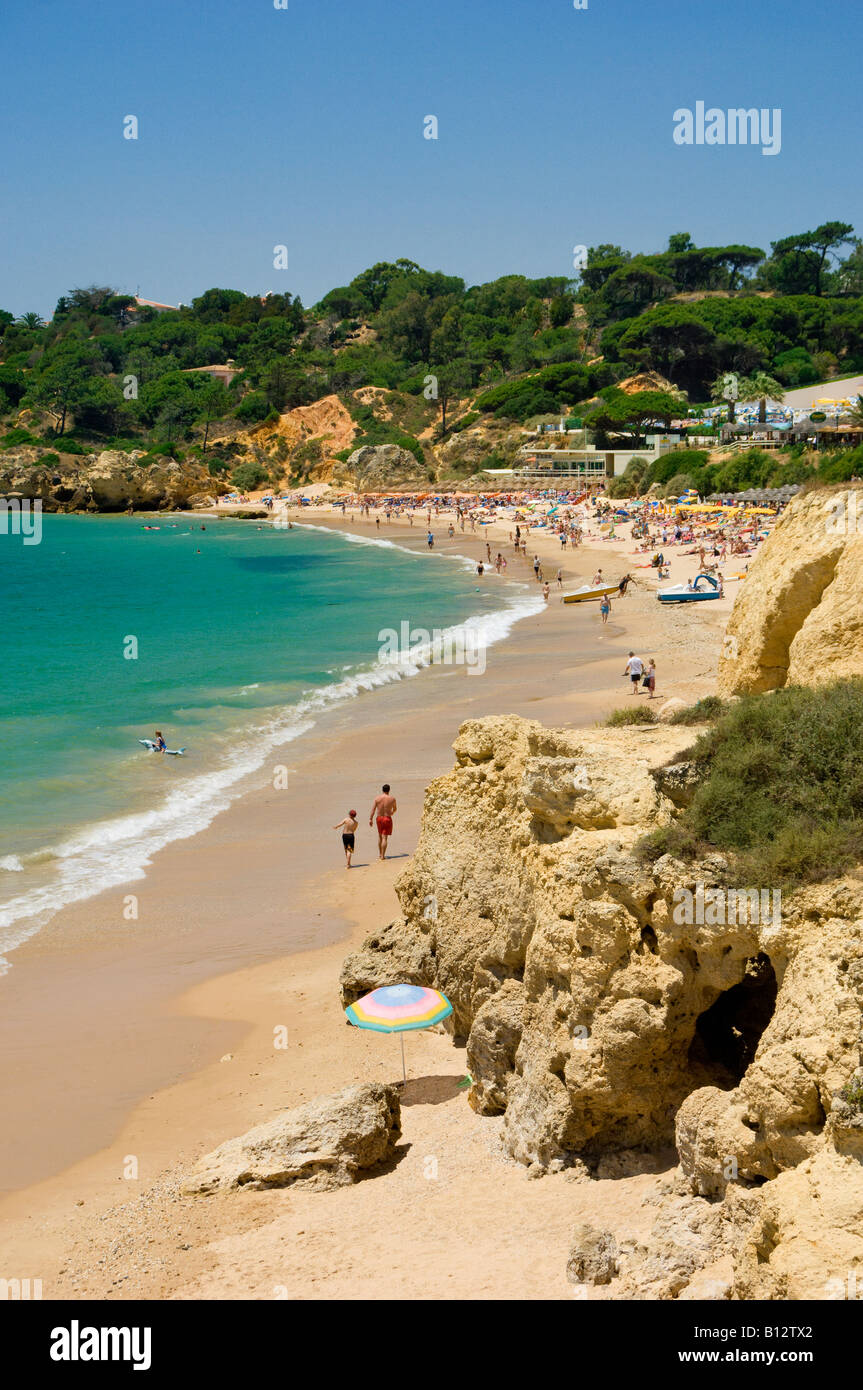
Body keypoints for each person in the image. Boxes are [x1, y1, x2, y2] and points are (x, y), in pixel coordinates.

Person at [370, 784, 397, 861]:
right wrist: (392, 812)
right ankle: (383, 856)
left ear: (382, 790)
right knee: (384, 837)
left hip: (379, 818)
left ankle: (380, 854)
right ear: (389, 790)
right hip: (387, 818)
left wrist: (370, 819)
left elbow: (373, 810)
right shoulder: (392, 799)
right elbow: (395, 809)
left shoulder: (377, 798)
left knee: (380, 836)